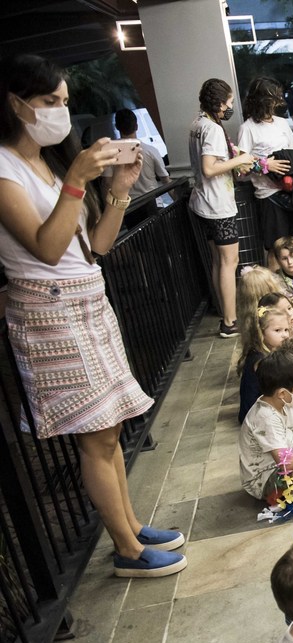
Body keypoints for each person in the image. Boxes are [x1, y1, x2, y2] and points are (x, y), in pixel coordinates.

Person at [0, 53, 186, 578]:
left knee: (109, 429)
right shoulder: (5, 167)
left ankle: (129, 524)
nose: (60, 111)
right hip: (48, 314)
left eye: (64, 101)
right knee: (96, 433)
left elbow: (93, 246)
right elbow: (46, 247)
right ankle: (127, 550)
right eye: (49, 102)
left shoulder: (51, 163)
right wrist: (78, 180)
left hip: (87, 299)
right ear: (16, 104)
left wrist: (119, 192)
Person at [190, 77, 255, 338]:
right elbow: (209, 167)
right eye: (228, 103)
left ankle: (224, 311)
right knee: (230, 262)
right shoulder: (213, 129)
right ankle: (230, 321)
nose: (230, 107)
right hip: (218, 205)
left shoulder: (198, 123)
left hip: (202, 203)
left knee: (218, 262)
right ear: (218, 104)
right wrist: (241, 159)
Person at [239, 348, 293, 504]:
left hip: (282, 463)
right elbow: (286, 462)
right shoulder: (265, 417)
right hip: (264, 481)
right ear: (282, 393)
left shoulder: (284, 403)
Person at [237, 77, 293, 271]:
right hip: (268, 196)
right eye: (273, 97)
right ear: (262, 99)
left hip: (291, 192)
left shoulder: (281, 123)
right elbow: (240, 167)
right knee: (275, 248)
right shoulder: (247, 128)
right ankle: (275, 296)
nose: (277, 101)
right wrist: (265, 166)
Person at [238, 306, 293, 424]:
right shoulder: (261, 360)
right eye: (277, 330)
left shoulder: (268, 350)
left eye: (286, 330)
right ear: (261, 333)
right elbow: (280, 387)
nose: (284, 335)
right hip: (255, 416)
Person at [109, 107, 167, 199]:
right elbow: (165, 179)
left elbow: (107, 183)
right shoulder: (151, 150)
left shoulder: (110, 154)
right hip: (152, 201)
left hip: (128, 205)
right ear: (136, 126)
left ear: (116, 127)